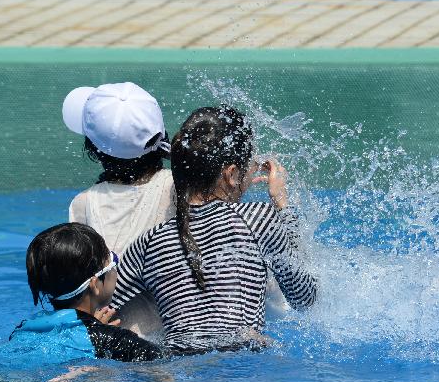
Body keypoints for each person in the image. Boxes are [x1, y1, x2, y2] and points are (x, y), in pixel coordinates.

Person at [109, 105, 318, 354]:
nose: (254, 171)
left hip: (172, 365)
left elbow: (94, 305)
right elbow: (305, 298)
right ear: (231, 174)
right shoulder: (258, 219)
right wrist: (282, 203)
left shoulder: (148, 243)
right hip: (242, 357)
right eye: (251, 163)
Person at [62, 81, 174, 337]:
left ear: (94, 149)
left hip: (112, 343)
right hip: (178, 341)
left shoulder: (83, 204)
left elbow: (82, 294)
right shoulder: (181, 189)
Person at [13, 222, 165, 362]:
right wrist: (106, 336)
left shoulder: (23, 331)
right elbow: (168, 365)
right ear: (95, 284)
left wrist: (98, 328)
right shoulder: (117, 341)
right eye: (113, 262)